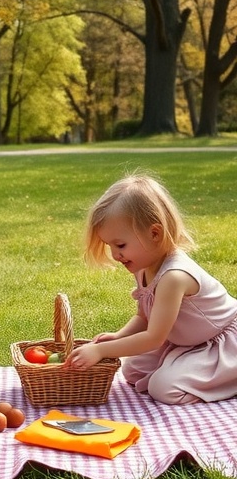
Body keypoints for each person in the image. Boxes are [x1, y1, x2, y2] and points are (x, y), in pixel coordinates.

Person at [63, 173, 237, 405]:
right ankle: (188, 368)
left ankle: (227, 379)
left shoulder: (174, 277)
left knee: (163, 388)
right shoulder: (142, 266)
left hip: (221, 344)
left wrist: (102, 351)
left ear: (154, 234)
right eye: (110, 246)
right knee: (132, 369)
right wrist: (118, 337)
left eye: (121, 245)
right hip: (188, 342)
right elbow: (143, 318)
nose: (115, 255)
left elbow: (154, 338)